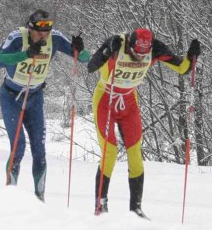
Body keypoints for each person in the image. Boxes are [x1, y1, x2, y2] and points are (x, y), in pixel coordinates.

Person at [86, 28, 201, 218]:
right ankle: (101, 206)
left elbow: (183, 68)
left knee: (135, 154)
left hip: (129, 101)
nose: (139, 57)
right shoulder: (117, 42)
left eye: (143, 54)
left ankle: (135, 209)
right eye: (135, 53)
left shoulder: (155, 48)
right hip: (105, 99)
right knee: (110, 152)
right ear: (130, 45)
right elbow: (91, 67)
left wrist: (192, 56)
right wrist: (107, 52)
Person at [0, 9, 89, 201]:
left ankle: (40, 198)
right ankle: (10, 196)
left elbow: (85, 58)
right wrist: (25, 54)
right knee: (18, 147)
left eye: (46, 32)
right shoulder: (17, 37)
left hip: (35, 98)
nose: (43, 36)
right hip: (12, 96)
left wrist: (80, 48)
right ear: (30, 29)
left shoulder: (55, 38)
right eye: (38, 32)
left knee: (39, 150)